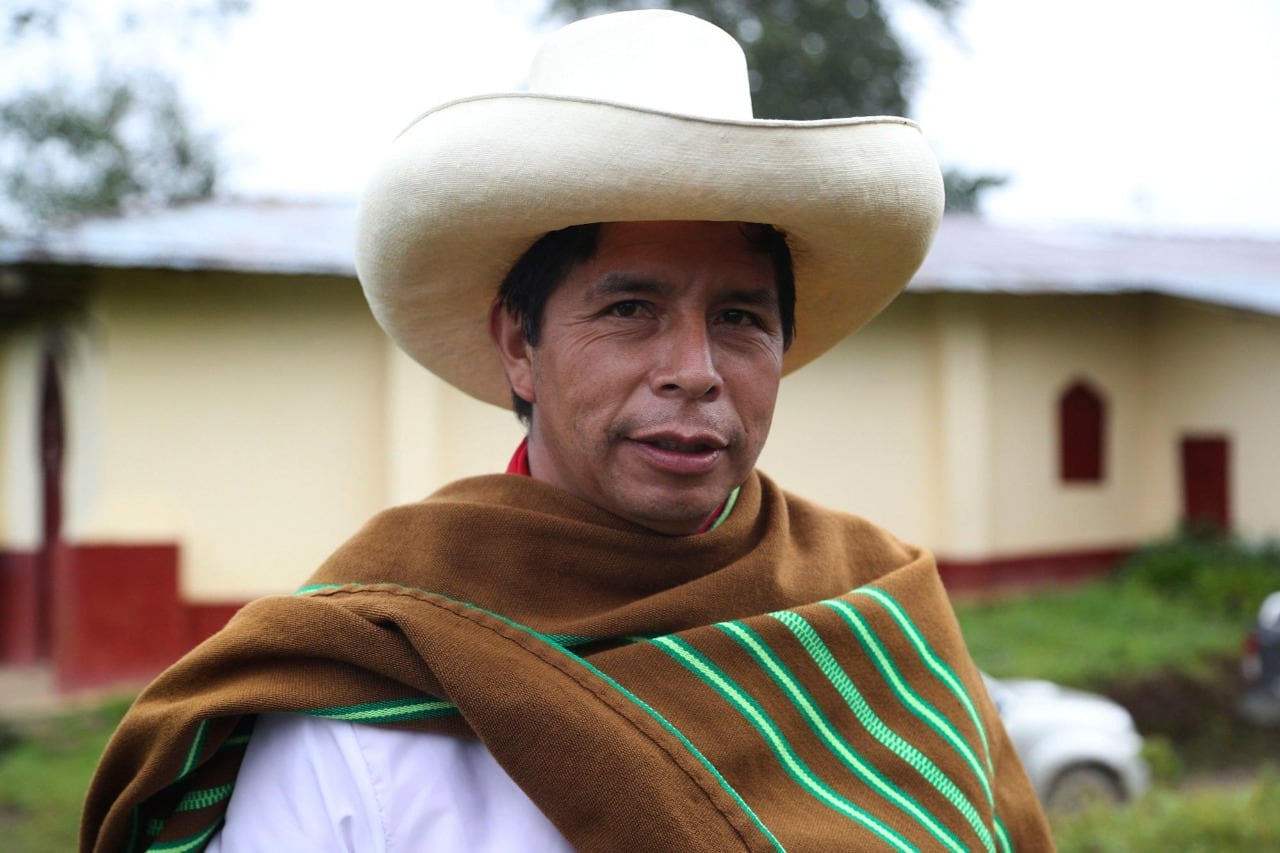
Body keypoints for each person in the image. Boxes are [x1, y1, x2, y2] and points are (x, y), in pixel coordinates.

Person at [82, 10, 1053, 852]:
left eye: (741, 317)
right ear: (519, 344)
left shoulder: (878, 624)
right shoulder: (360, 697)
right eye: (628, 308)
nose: (695, 368)